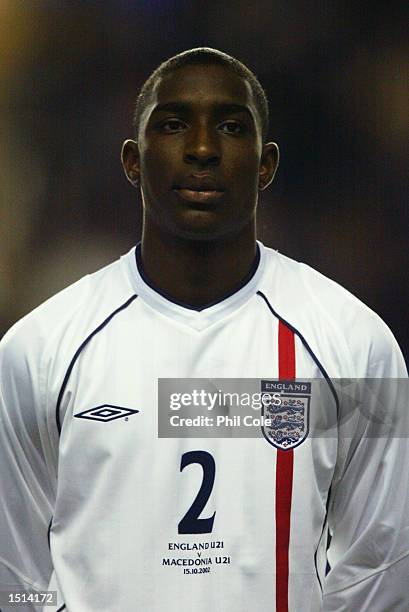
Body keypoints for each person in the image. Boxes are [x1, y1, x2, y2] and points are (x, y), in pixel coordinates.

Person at [0, 47, 407, 612]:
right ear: (132, 161)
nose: (201, 150)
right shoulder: (36, 351)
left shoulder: (358, 345)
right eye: (171, 125)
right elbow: (10, 572)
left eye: (231, 127)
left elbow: (384, 563)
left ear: (266, 164)